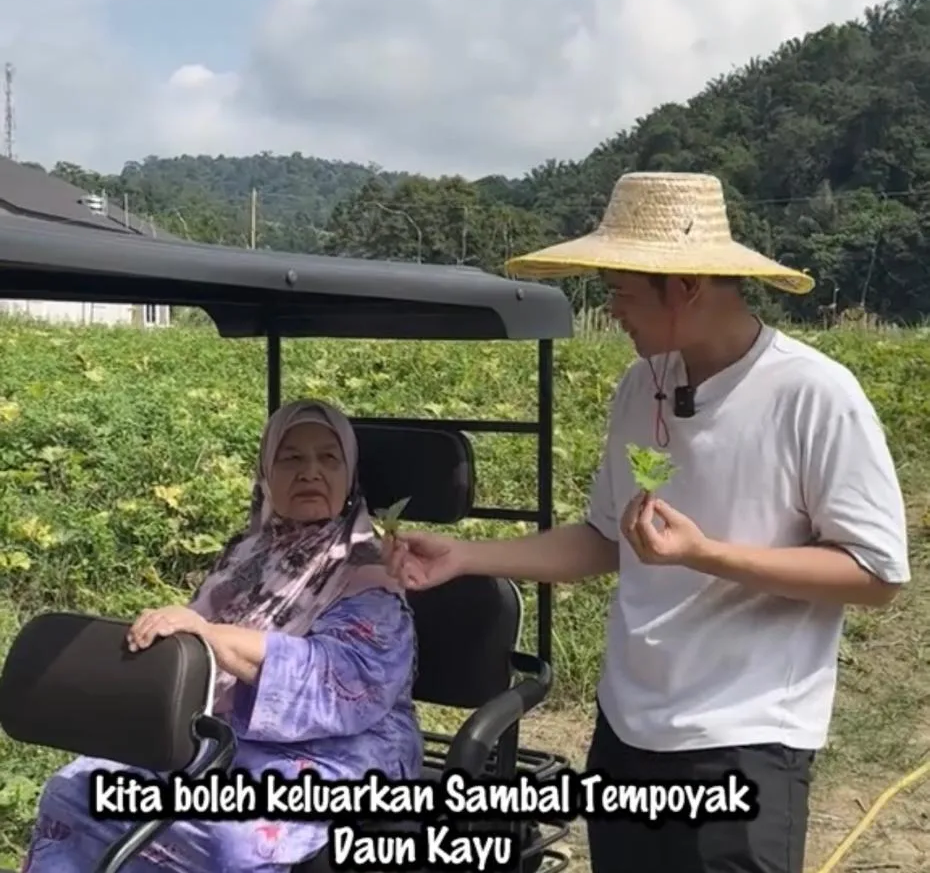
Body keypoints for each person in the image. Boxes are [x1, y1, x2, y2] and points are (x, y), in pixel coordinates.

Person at [383, 171, 911, 873]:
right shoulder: (642, 385)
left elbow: (876, 575)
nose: (614, 310)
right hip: (628, 727)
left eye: (620, 292)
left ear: (685, 287)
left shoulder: (812, 395)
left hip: (744, 738)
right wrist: (465, 556)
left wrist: (704, 554)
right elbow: (603, 540)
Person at [23, 399, 422, 873]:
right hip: (223, 734)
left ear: (349, 475)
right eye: (291, 458)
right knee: (75, 791)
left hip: (347, 746)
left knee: (231, 839)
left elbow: (341, 683)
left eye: (328, 458)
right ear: (266, 474)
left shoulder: (367, 571)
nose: (310, 472)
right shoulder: (248, 554)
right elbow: (193, 648)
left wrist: (210, 636)